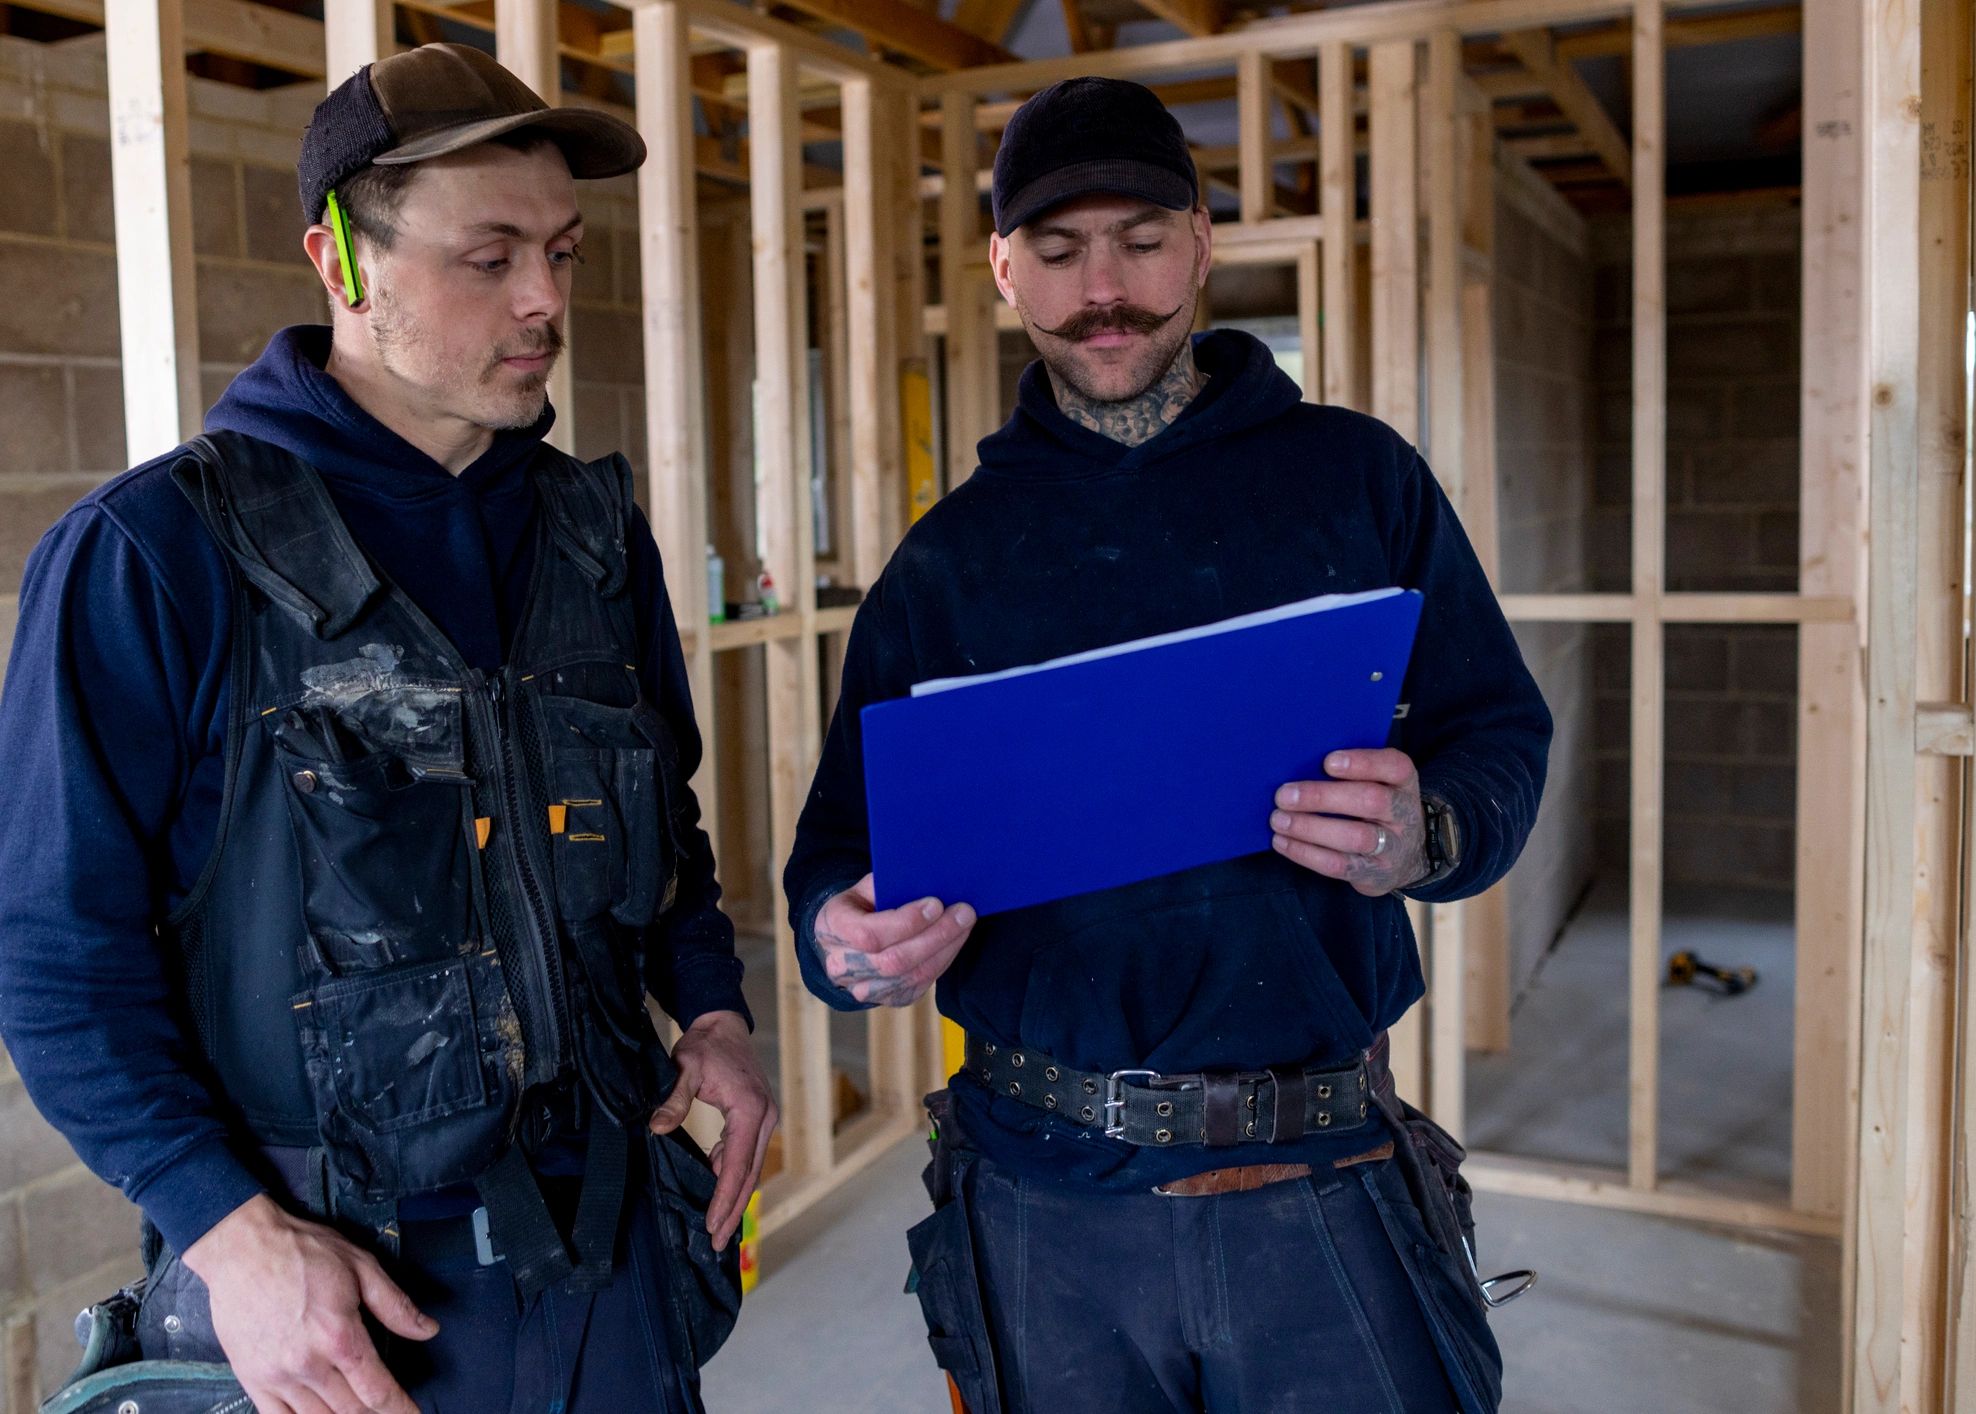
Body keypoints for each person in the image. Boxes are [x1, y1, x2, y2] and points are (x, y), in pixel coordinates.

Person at [0, 43, 773, 1414]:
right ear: (340, 262)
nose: (544, 299)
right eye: (489, 258)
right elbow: (55, 953)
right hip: (348, 1302)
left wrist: (710, 1001)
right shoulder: (156, 553)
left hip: (617, 1262)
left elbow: (665, 823)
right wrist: (229, 1235)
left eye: (563, 251)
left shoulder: (591, 537)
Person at [784, 77, 1551, 1414]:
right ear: (1005, 269)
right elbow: (838, 849)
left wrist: (1427, 831)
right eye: (1060, 252)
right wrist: (840, 940)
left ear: (1201, 244)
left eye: (1141, 242)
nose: (1105, 292)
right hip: (1043, 1192)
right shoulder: (947, 563)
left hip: (1319, 1168)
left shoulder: (1356, 481)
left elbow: (1498, 729)